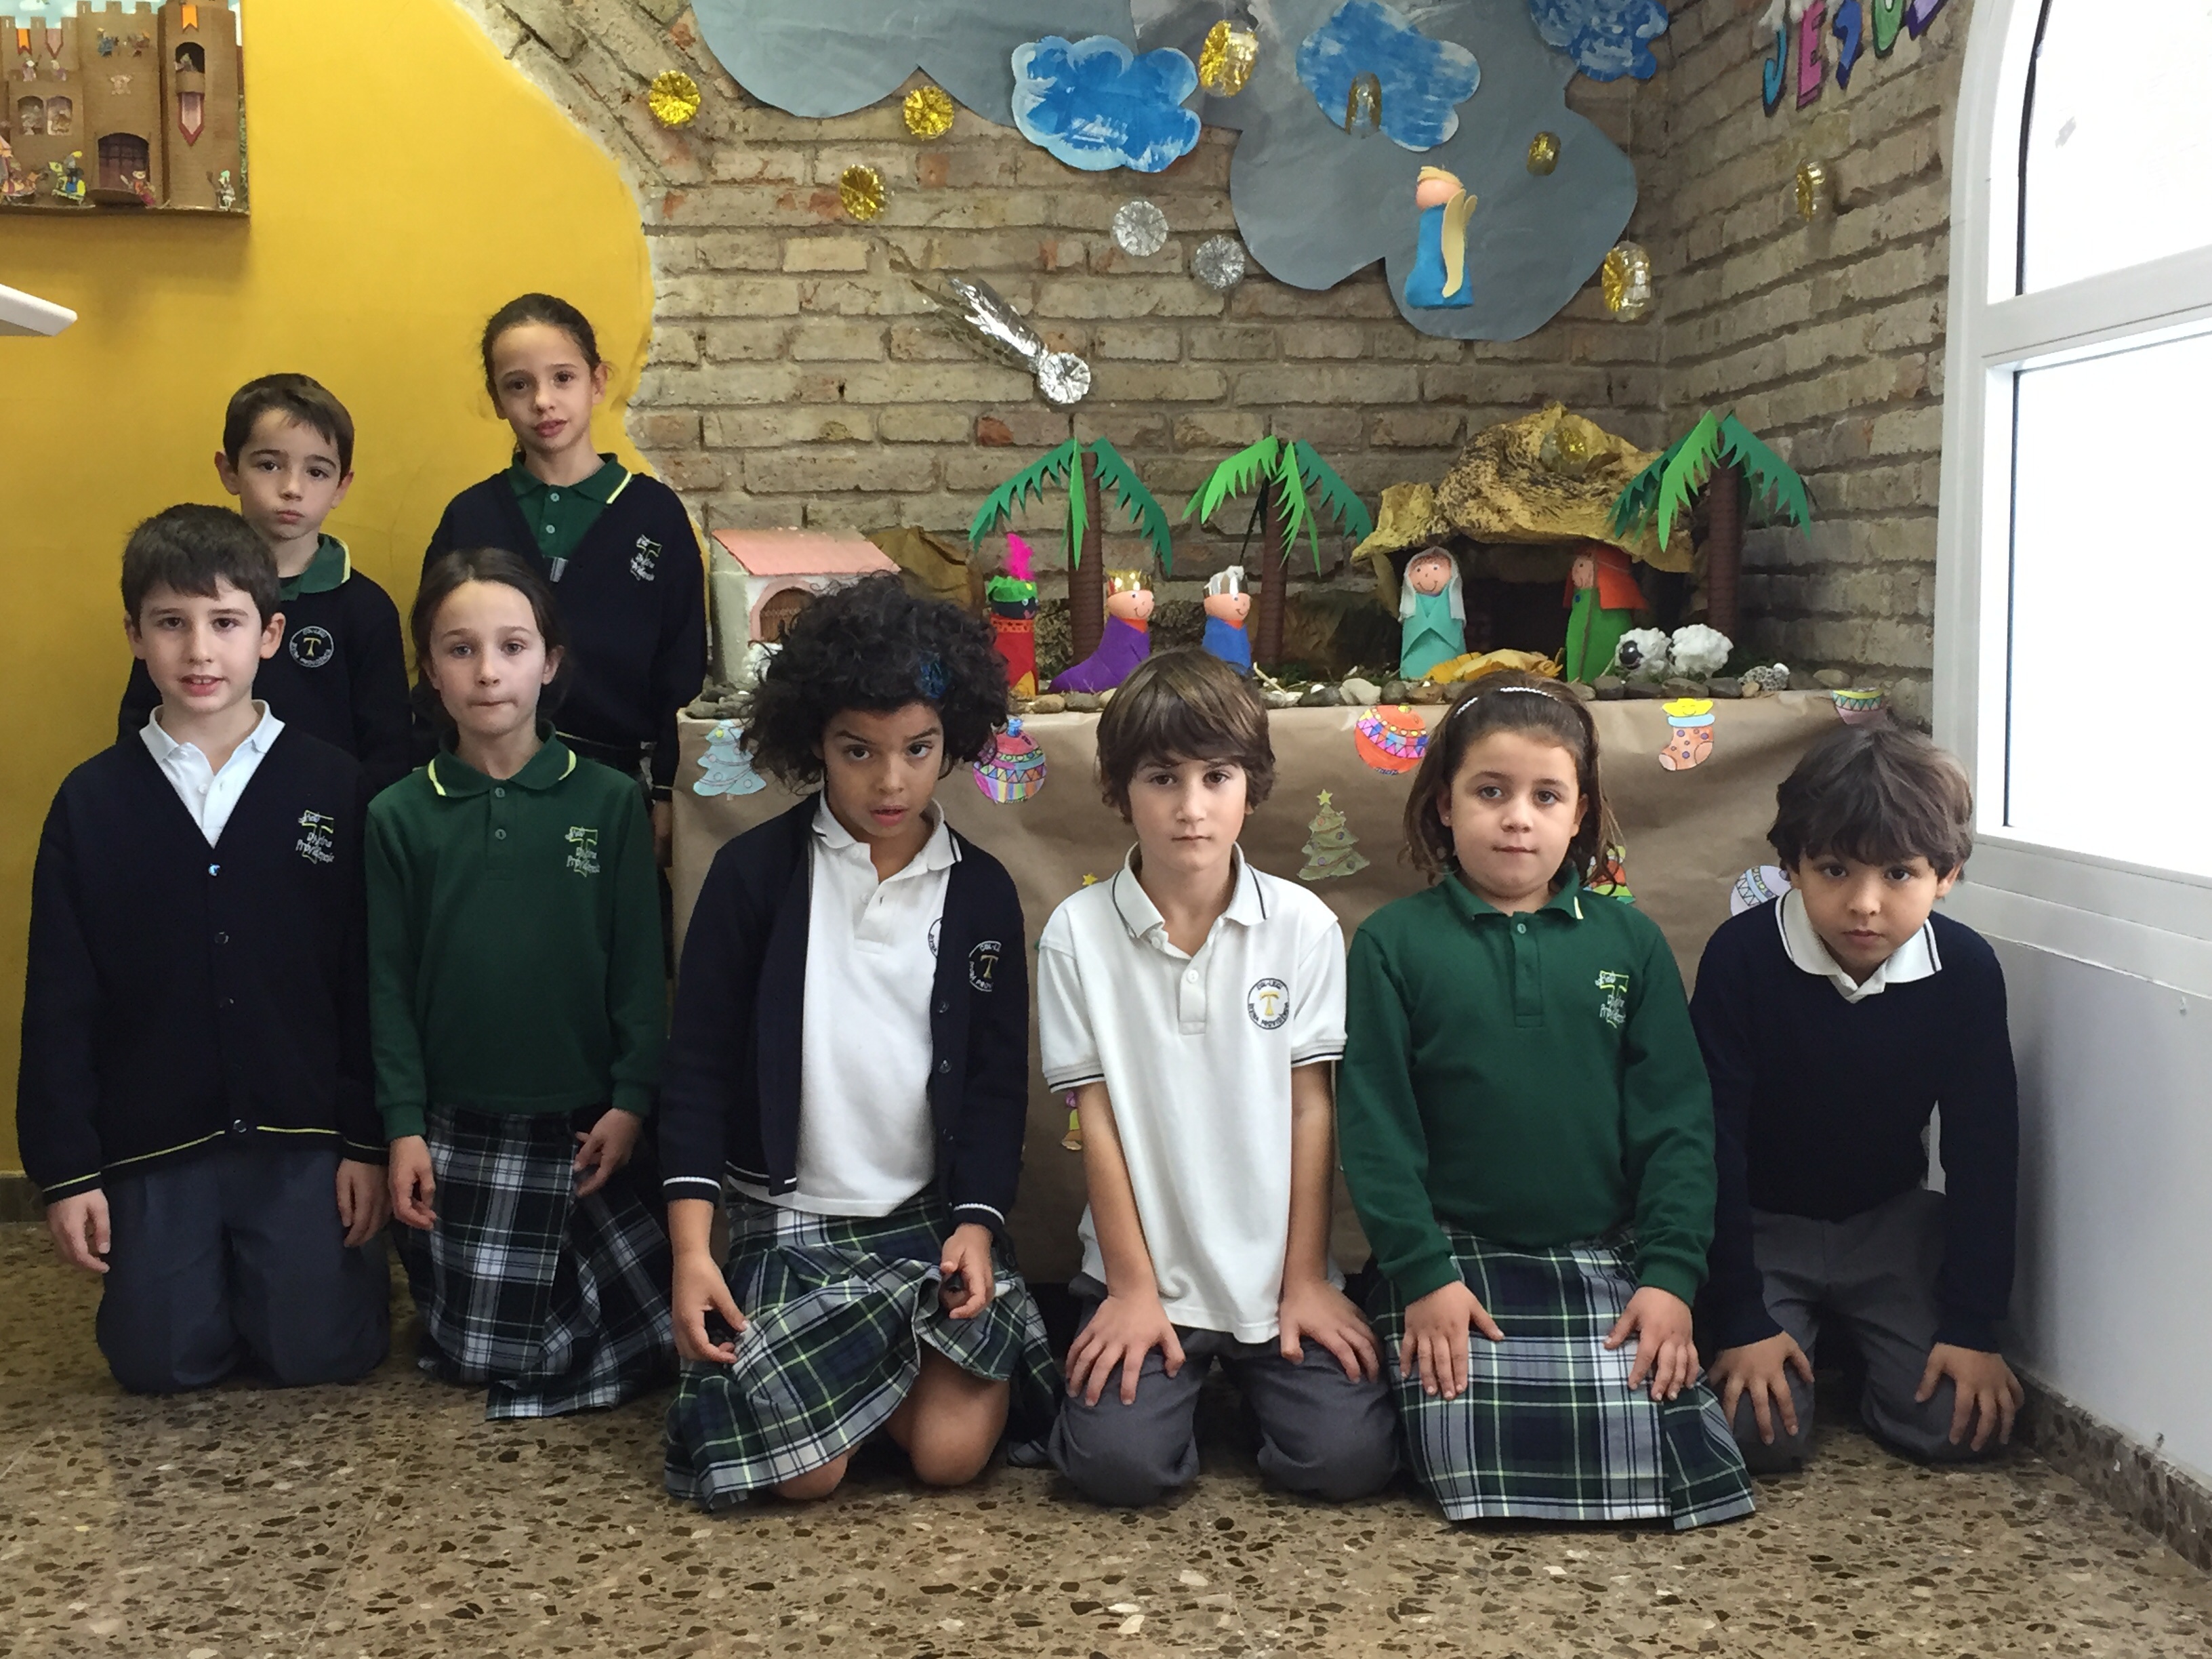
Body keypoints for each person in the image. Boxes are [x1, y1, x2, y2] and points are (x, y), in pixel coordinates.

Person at [659, 575, 1059, 1510]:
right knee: (806, 1480)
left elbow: (996, 1085)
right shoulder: (752, 877)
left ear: (952, 739)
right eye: (858, 751)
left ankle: (871, 1383)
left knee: (950, 1458)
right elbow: (697, 1069)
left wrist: (975, 1225)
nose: (890, 782)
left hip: (925, 1227)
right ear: (814, 741)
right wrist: (691, 1252)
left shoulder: (981, 893)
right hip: (789, 1230)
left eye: (918, 749)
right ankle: (856, 1395)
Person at [1336, 674, 1755, 1529]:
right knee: (1464, 1443)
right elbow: (1375, 1129)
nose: (1517, 818)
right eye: (1490, 792)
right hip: (1454, 1260)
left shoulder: (1632, 944)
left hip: (1605, 1256)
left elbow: (1677, 1126)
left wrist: (1671, 1280)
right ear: (1445, 805)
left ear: (1580, 813)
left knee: (1676, 1439)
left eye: (1546, 796)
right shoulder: (1391, 945)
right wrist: (1424, 1275)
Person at [20, 506, 390, 1393]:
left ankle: (289, 1278)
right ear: (134, 636)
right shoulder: (91, 802)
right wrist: (68, 1174)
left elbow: (365, 982)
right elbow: (60, 999)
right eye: (171, 623)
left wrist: (366, 1143)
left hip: (302, 1131)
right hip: (157, 1139)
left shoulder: (333, 785)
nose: (199, 651)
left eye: (225, 623)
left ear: (269, 635)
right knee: (160, 1364)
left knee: (318, 1354)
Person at [1040, 650, 1397, 1507]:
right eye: (1162, 778)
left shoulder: (1304, 927)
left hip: (1278, 1278)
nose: (1191, 807)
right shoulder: (1076, 935)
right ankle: (1165, 1395)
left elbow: (1311, 1112)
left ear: (1252, 785)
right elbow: (1098, 1122)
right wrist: (1131, 1289)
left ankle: (1250, 1387)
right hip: (1145, 1277)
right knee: (1115, 1469)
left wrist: (1304, 1279)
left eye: (1217, 777)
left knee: (1348, 1462)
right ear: (1119, 788)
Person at [371, 548, 673, 1418]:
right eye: (460, 649)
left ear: (550, 661)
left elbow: (639, 966)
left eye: (512, 646)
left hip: (584, 1125)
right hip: (458, 1126)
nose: (488, 672)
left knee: (647, 1336)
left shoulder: (609, 802)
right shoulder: (398, 814)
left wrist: (630, 1101)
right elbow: (387, 986)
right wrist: (403, 1129)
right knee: (478, 1356)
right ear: (431, 670)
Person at [1696, 724, 2022, 1469]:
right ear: (1792, 866)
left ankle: (1850, 1341)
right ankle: (1807, 1332)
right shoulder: (1742, 959)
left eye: (1899, 874)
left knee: (1957, 1427)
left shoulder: (1966, 972)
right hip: (1763, 1227)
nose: (1865, 904)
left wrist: (1972, 1327)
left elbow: (1985, 1149)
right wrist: (1740, 1315)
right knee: (1755, 1433)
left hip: (1889, 1226)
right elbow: (1712, 1142)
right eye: (1835, 870)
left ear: (1947, 874)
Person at [422, 294, 706, 862]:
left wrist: (668, 790)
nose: (543, 402)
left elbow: (683, 665)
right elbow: (435, 657)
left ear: (597, 383)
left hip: (618, 785)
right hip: (484, 781)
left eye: (563, 378)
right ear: (497, 399)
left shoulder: (654, 515)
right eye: (518, 385)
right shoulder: (470, 516)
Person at [118, 374, 413, 793]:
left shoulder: (365, 608)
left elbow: (388, 751)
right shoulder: (182, 590)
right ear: (230, 470)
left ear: (341, 486)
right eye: (269, 465)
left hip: (324, 820)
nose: (292, 489)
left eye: (317, 471)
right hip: (192, 808)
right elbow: (141, 722)